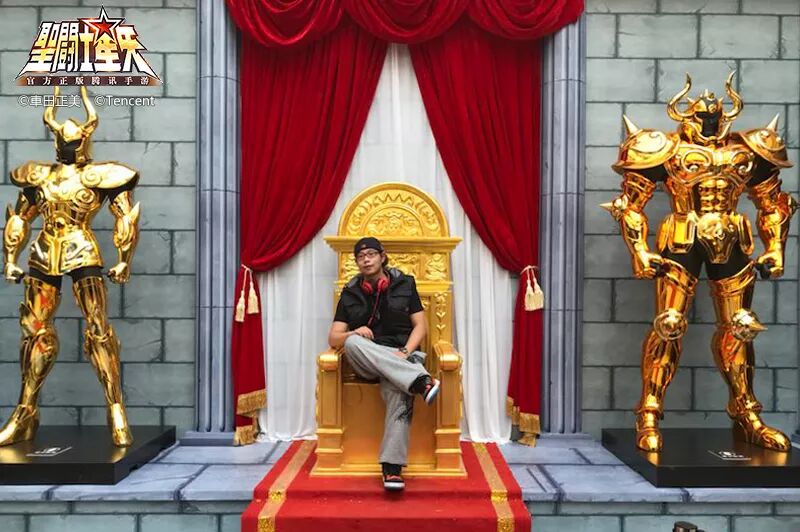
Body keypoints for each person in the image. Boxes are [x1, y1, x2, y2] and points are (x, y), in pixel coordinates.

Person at [328, 237, 440, 491]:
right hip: (368, 360)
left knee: (400, 389)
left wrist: (405, 351)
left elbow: (420, 326)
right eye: (360, 256)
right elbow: (334, 338)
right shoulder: (350, 293)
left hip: (401, 356)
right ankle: (420, 380)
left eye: (370, 254)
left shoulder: (405, 284)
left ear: (382, 256)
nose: (366, 260)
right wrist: (354, 332)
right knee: (352, 343)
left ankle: (392, 467)